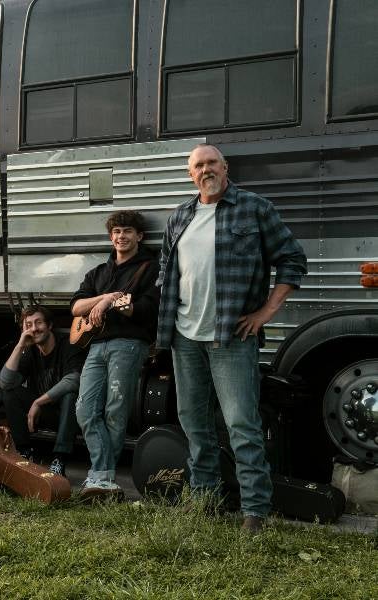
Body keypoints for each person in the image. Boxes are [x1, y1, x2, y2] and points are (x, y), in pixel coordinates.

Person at [156, 144, 307, 533]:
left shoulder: (255, 207)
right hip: (185, 335)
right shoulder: (179, 216)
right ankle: (205, 498)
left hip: (231, 336)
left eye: (211, 163)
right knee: (194, 422)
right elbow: (166, 270)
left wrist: (265, 313)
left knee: (241, 423)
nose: (205, 170)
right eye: (197, 166)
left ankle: (255, 510)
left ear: (225, 167)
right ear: (191, 175)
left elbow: (292, 259)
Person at [70, 210, 160, 501]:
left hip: (129, 344)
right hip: (96, 345)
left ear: (139, 236)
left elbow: (147, 308)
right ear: (111, 237)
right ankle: (105, 478)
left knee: (115, 410)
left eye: (128, 232)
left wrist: (117, 303)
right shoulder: (98, 272)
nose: (121, 237)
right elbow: (75, 307)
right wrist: (105, 298)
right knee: (84, 409)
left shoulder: (150, 268)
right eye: (117, 232)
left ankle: (99, 477)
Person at [0, 305, 83, 477]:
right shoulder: (29, 350)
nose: (34, 329)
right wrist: (20, 345)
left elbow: (74, 380)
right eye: (29, 325)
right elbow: (5, 383)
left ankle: (59, 460)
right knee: (10, 393)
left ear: (49, 325)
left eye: (39, 322)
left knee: (70, 395)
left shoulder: (68, 344)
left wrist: (38, 402)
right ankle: (25, 453)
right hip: (43, 414)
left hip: (69, 416)